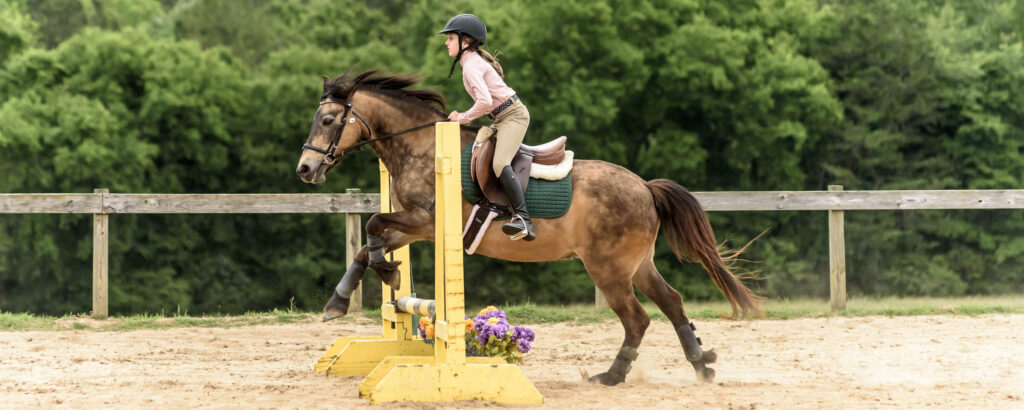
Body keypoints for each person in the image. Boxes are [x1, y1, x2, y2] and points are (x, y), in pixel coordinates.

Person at [439, 14, 536, 241]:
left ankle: (524, 219)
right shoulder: (470, 63)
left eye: (450, 38)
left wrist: (463, 117)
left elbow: (484, 102)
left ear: (465, 42)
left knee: (500, 163)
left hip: (513, 117)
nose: (446, 42)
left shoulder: (471, 66)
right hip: (500, 118)